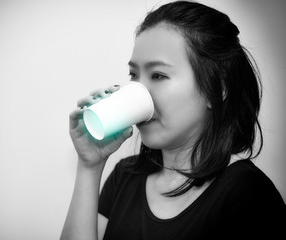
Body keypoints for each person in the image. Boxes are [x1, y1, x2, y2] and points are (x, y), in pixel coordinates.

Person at [60, 1, 286, 239]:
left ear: (216, 90)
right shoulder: (124, 176)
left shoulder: (247, 194)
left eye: (158, 75)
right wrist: (89, 166)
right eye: (134, 75)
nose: (140, 90)